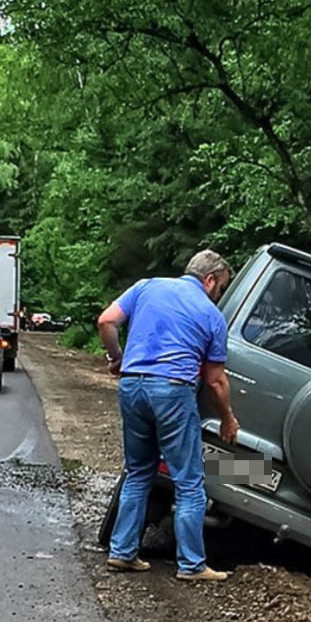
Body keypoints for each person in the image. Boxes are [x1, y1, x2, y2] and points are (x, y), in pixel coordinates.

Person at [97, 249, 239, 581]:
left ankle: (122, 552)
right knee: (189, 482)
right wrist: (228, 419)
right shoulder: (211, 314)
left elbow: (106, 321)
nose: (218, 296)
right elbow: (216, 380)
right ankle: (192, 565)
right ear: (210, 280)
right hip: (172, 392)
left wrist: (116, 358)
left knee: (138, 472)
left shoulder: (147, 286)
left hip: (132, 386)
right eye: (220, 288)